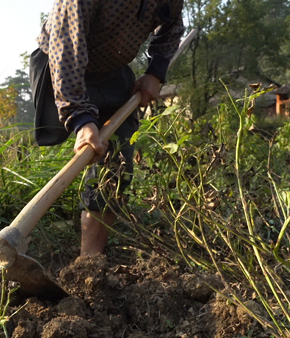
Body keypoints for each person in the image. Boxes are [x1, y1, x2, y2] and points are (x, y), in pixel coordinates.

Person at [29, 0, 185, 256]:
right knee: (73, 136)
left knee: (117, 158)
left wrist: (155, 73)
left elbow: (172, 26)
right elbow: (66, 45)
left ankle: (89, 261)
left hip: (112, 70)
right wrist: (80, 117)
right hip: (60, 60)